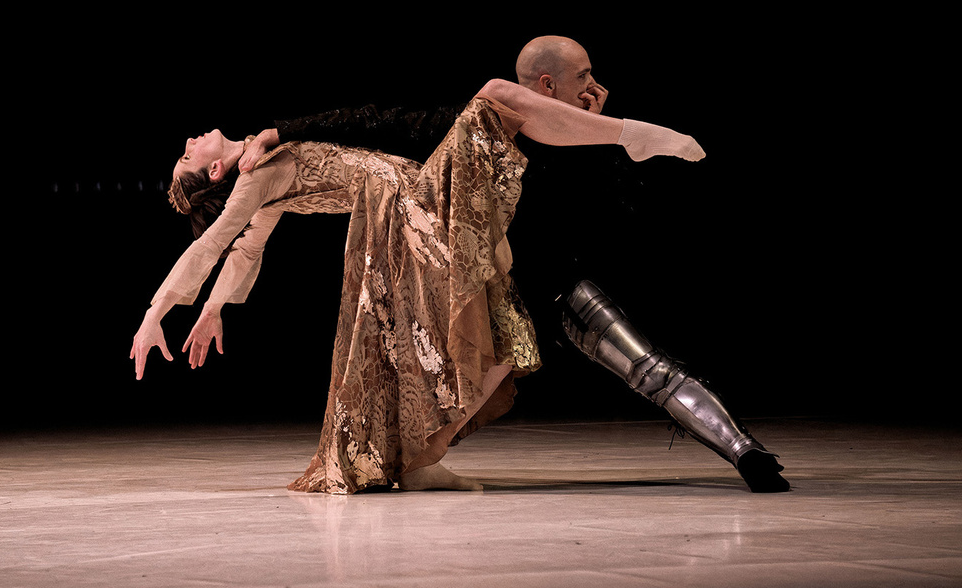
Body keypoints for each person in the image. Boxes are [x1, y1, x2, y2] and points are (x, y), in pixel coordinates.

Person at [224, 35, 790, 493]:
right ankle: (415, 463)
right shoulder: (483, 119)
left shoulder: (583, 138)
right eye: (584, 75)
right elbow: (373, 120)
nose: (595, 84)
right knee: (492, 93)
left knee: (650, 371)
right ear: (547, 83)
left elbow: (619, 214)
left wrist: (601, 140)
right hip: (466, 277)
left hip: (551, 288)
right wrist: (285, 130)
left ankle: (745, 451)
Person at [130, 64, 706, 495]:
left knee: (507, 334)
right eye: (187, 157)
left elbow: (245, 253)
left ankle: (423, 459)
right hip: (416, 206)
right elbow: (217, 246)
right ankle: (629, 134)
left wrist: (213, 309)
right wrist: (157, 313)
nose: (187, 142)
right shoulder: (251, 178)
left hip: (414, 208)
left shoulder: (263, 165)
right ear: (213, 169)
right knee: (496, 98)